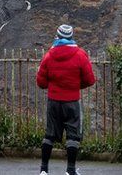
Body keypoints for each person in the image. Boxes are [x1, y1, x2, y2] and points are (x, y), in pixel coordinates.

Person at [36, 24, 96, 175]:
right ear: (71, 37)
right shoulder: (80, 55)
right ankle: (70, 171)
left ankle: (44, 170)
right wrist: (75, 86)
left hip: (53, 102)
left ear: (57, 36)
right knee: (73, 136)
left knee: (49, 135)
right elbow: (90, 80)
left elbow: (41, 83)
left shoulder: (49, 56)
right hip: (72, 102)